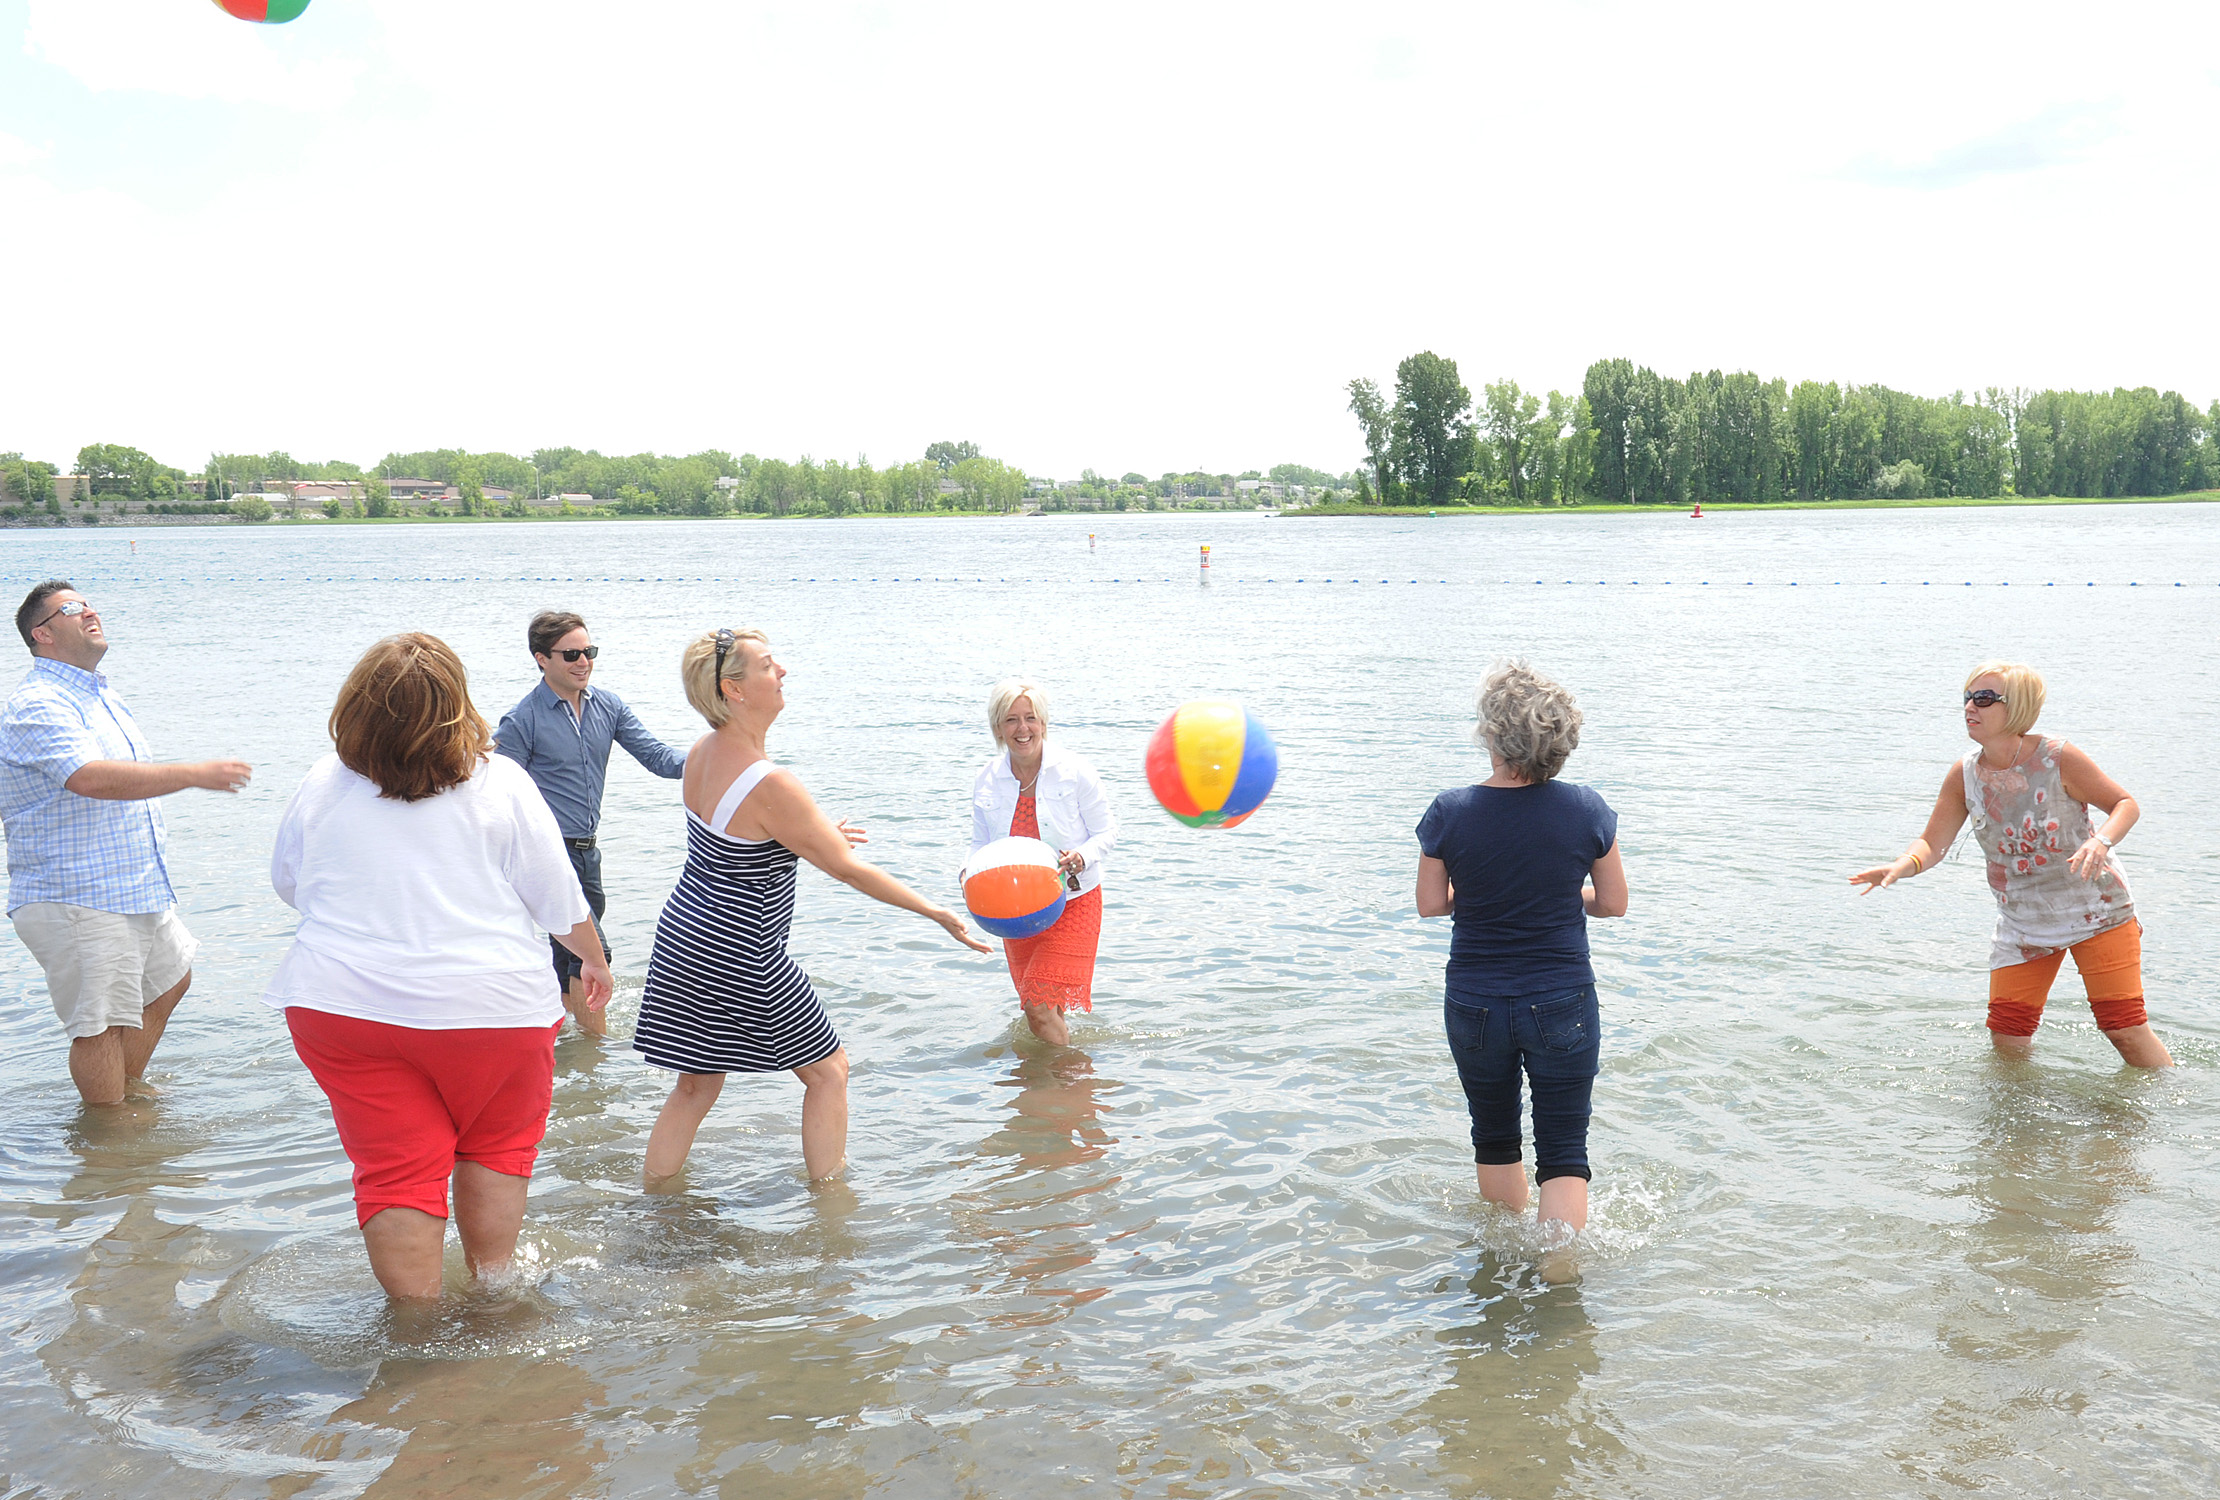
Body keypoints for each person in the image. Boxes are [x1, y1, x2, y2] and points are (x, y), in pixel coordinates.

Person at [265, 633, 613, 1301]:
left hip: (342, 1007)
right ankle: (494, 1295)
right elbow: (558, 899)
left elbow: (289, 882)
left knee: (395, 1169)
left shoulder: (323, 780)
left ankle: (415, 1334)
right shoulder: (501, 781)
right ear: (458, 705)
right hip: (492, 1010)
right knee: (495, 1150)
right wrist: (593, 963)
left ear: (357, 707)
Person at [633, 628, 990, 1185]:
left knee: (697, 1085)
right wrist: (938, 913)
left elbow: (739, 834)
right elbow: (848, 869)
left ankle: (651, 1199)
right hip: (740, 948)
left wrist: (809, 834)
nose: (783, 673)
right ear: (735, 689)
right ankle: (831, 1209)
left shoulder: (702, 752)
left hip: (684, 936)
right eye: (768, 666)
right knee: (829, 1072)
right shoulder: (771, 782)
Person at [0, 581, 252, 1106]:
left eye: (89, 603)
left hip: (128, 887)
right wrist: (191, 773)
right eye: (73, 608)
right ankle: (107, 1137)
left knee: (170, 981)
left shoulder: (98, 694)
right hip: (77, 895)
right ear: (41, 634)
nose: (90, 610)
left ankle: (121, 1101)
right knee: (99, 1025)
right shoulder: (37, 704)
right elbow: (88, 777)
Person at [1850, 661, 2171, 1068]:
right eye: (1967, 697)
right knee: (2007, 1037)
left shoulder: (2058, 757)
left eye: (1983, 698)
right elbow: (1933, 842)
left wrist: (2100, 841)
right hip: (2024, 921)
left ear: (2015, 707)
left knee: (2123, 1029)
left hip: (2097, 910)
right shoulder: (1964, 774)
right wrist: (1904, 864)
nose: (1970, 706)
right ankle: (2022, 1128)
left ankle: (2166, 1114)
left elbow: (2125, 805)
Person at [1416, 661, 1627, 1235]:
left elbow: (1432, 905)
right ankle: (1559, 1277)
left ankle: (1500, 1272)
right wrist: (1560, 894)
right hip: (1560, 998)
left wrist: (1486, 894)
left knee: (1494, 1134)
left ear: (1491, 734)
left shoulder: (1449, 811)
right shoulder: (1586, 809)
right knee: (1563, 1147)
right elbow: (1612, 904)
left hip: (1475, 1000)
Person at [495, 610, 685, 1038]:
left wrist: (716, 760)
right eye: (572, 654)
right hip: (547, 854)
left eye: (589, 652)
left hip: (587, 851)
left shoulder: (609, 706)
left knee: (567, 962)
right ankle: (599, 1053)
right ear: (542, 659)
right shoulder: (522, 719)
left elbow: (659, 758)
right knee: (592, 954)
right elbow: (496, 793)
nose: (583, 662)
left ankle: (567, 1053)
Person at [967, 679, 1118, 1046]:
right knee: (1041, 1007)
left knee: (1038, 1006)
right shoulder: (988, 779)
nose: (1023, 729)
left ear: (1044, 724)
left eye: (1030, 718)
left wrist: (1082, 856)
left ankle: (1063, 1081)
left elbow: (1107, 832)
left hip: (1073, 901)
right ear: (998, 728)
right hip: (1013, 911)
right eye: (1011, 720)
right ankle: (1062, 1086)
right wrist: (967, 879)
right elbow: (979, 844)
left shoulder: (1075, 770)